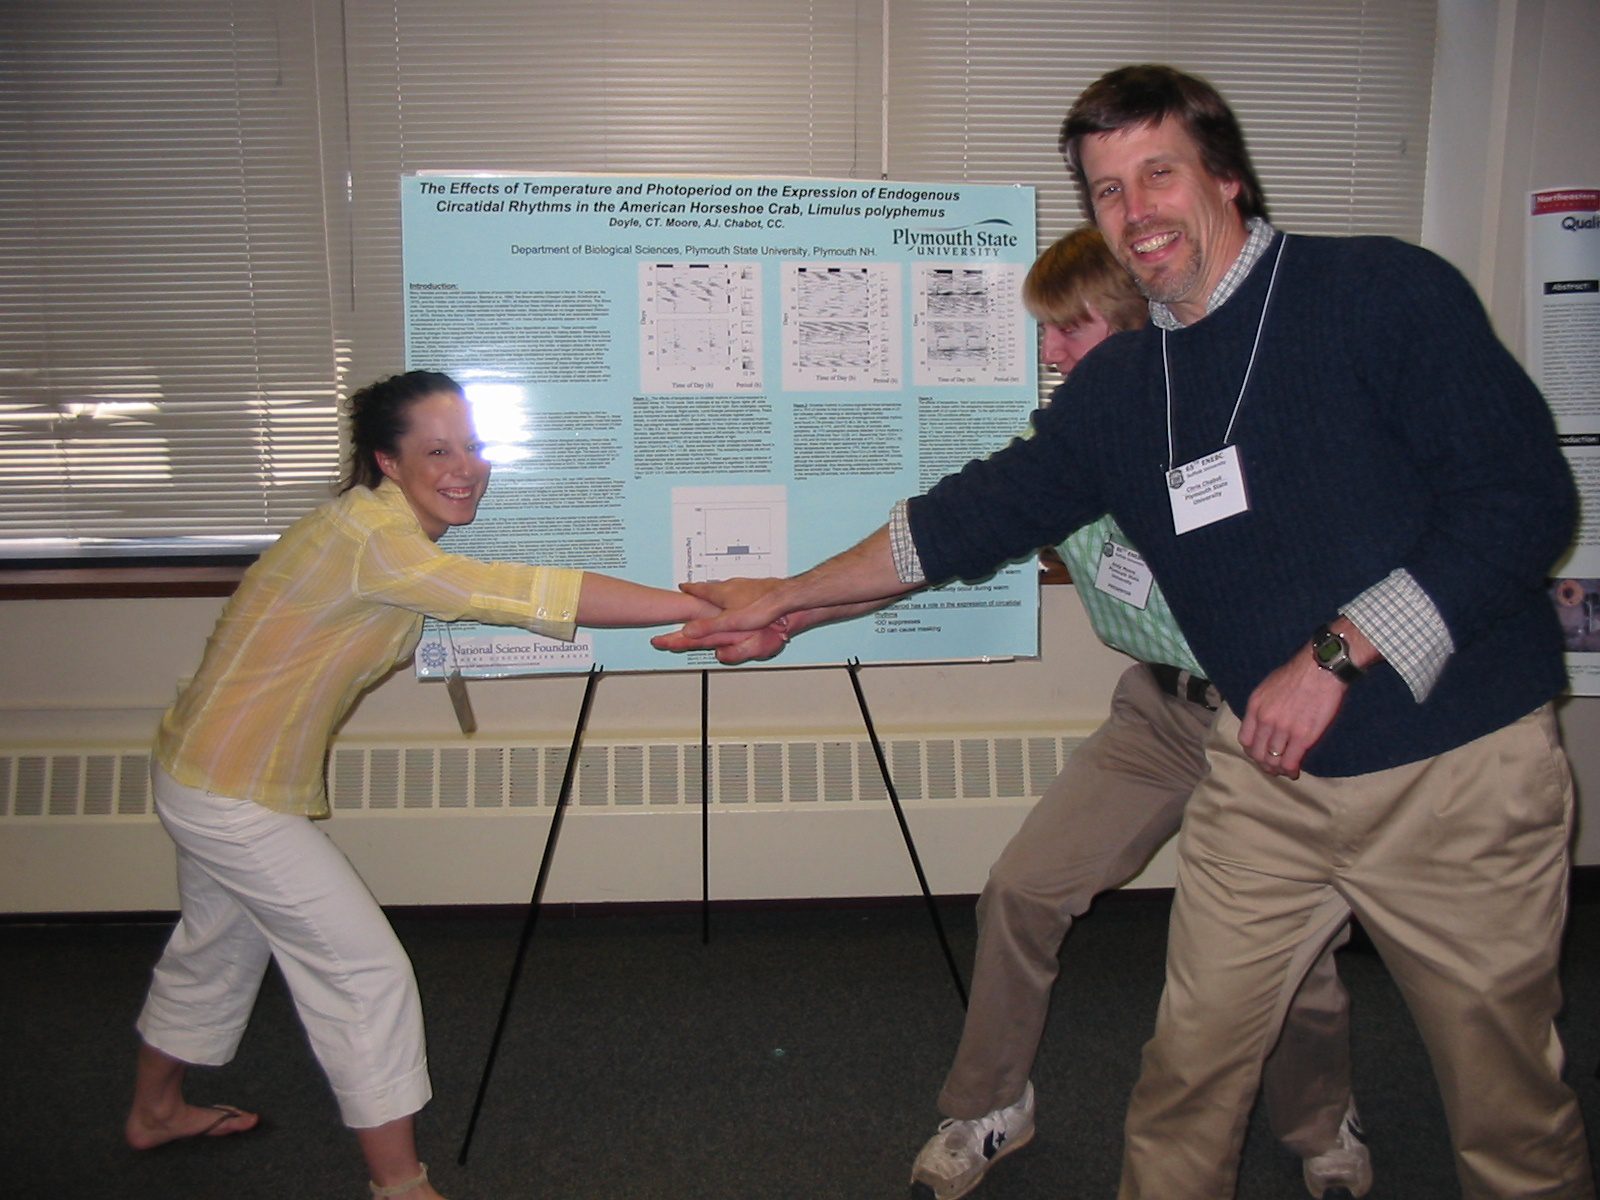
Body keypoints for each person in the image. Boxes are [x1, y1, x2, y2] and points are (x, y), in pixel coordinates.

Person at [657, 65, 1593, 1199]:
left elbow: (1522, 499)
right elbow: (969, 516)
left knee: (1504, 1110)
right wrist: (789, 597)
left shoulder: (1380, 291)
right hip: (1269, 778)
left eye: (1158, 173)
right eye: (1106, 191)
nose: (1135, 209)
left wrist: (1339, 648)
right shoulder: (1118, 389)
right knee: (1187, 1079)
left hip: (1458, 771)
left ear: (1227, 177)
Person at [124, 370, 718, 1199]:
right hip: (228, 791)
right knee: (364, 971)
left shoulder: (375, 533)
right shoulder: (374, 540)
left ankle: (154, 1112)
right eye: (437, 450)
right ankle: (399, 1184)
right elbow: (519, 593)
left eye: (473, 446)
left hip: (208, 771)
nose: (466, 466)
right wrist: (707, 608)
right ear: (386, 462)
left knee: (216, 945)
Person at [900, 226, 1365, 1200]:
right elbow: (982, 523)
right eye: (1045, 332)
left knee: (1295, 953)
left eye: (1068, 329)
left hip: (1272, 725)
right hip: (1158, 712)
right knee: (1023, 890)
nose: (1047, 350)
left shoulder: (1241, 425)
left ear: (1144, 322)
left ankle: (1321, 1123)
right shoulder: (1069, 441)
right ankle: (991, 1106)